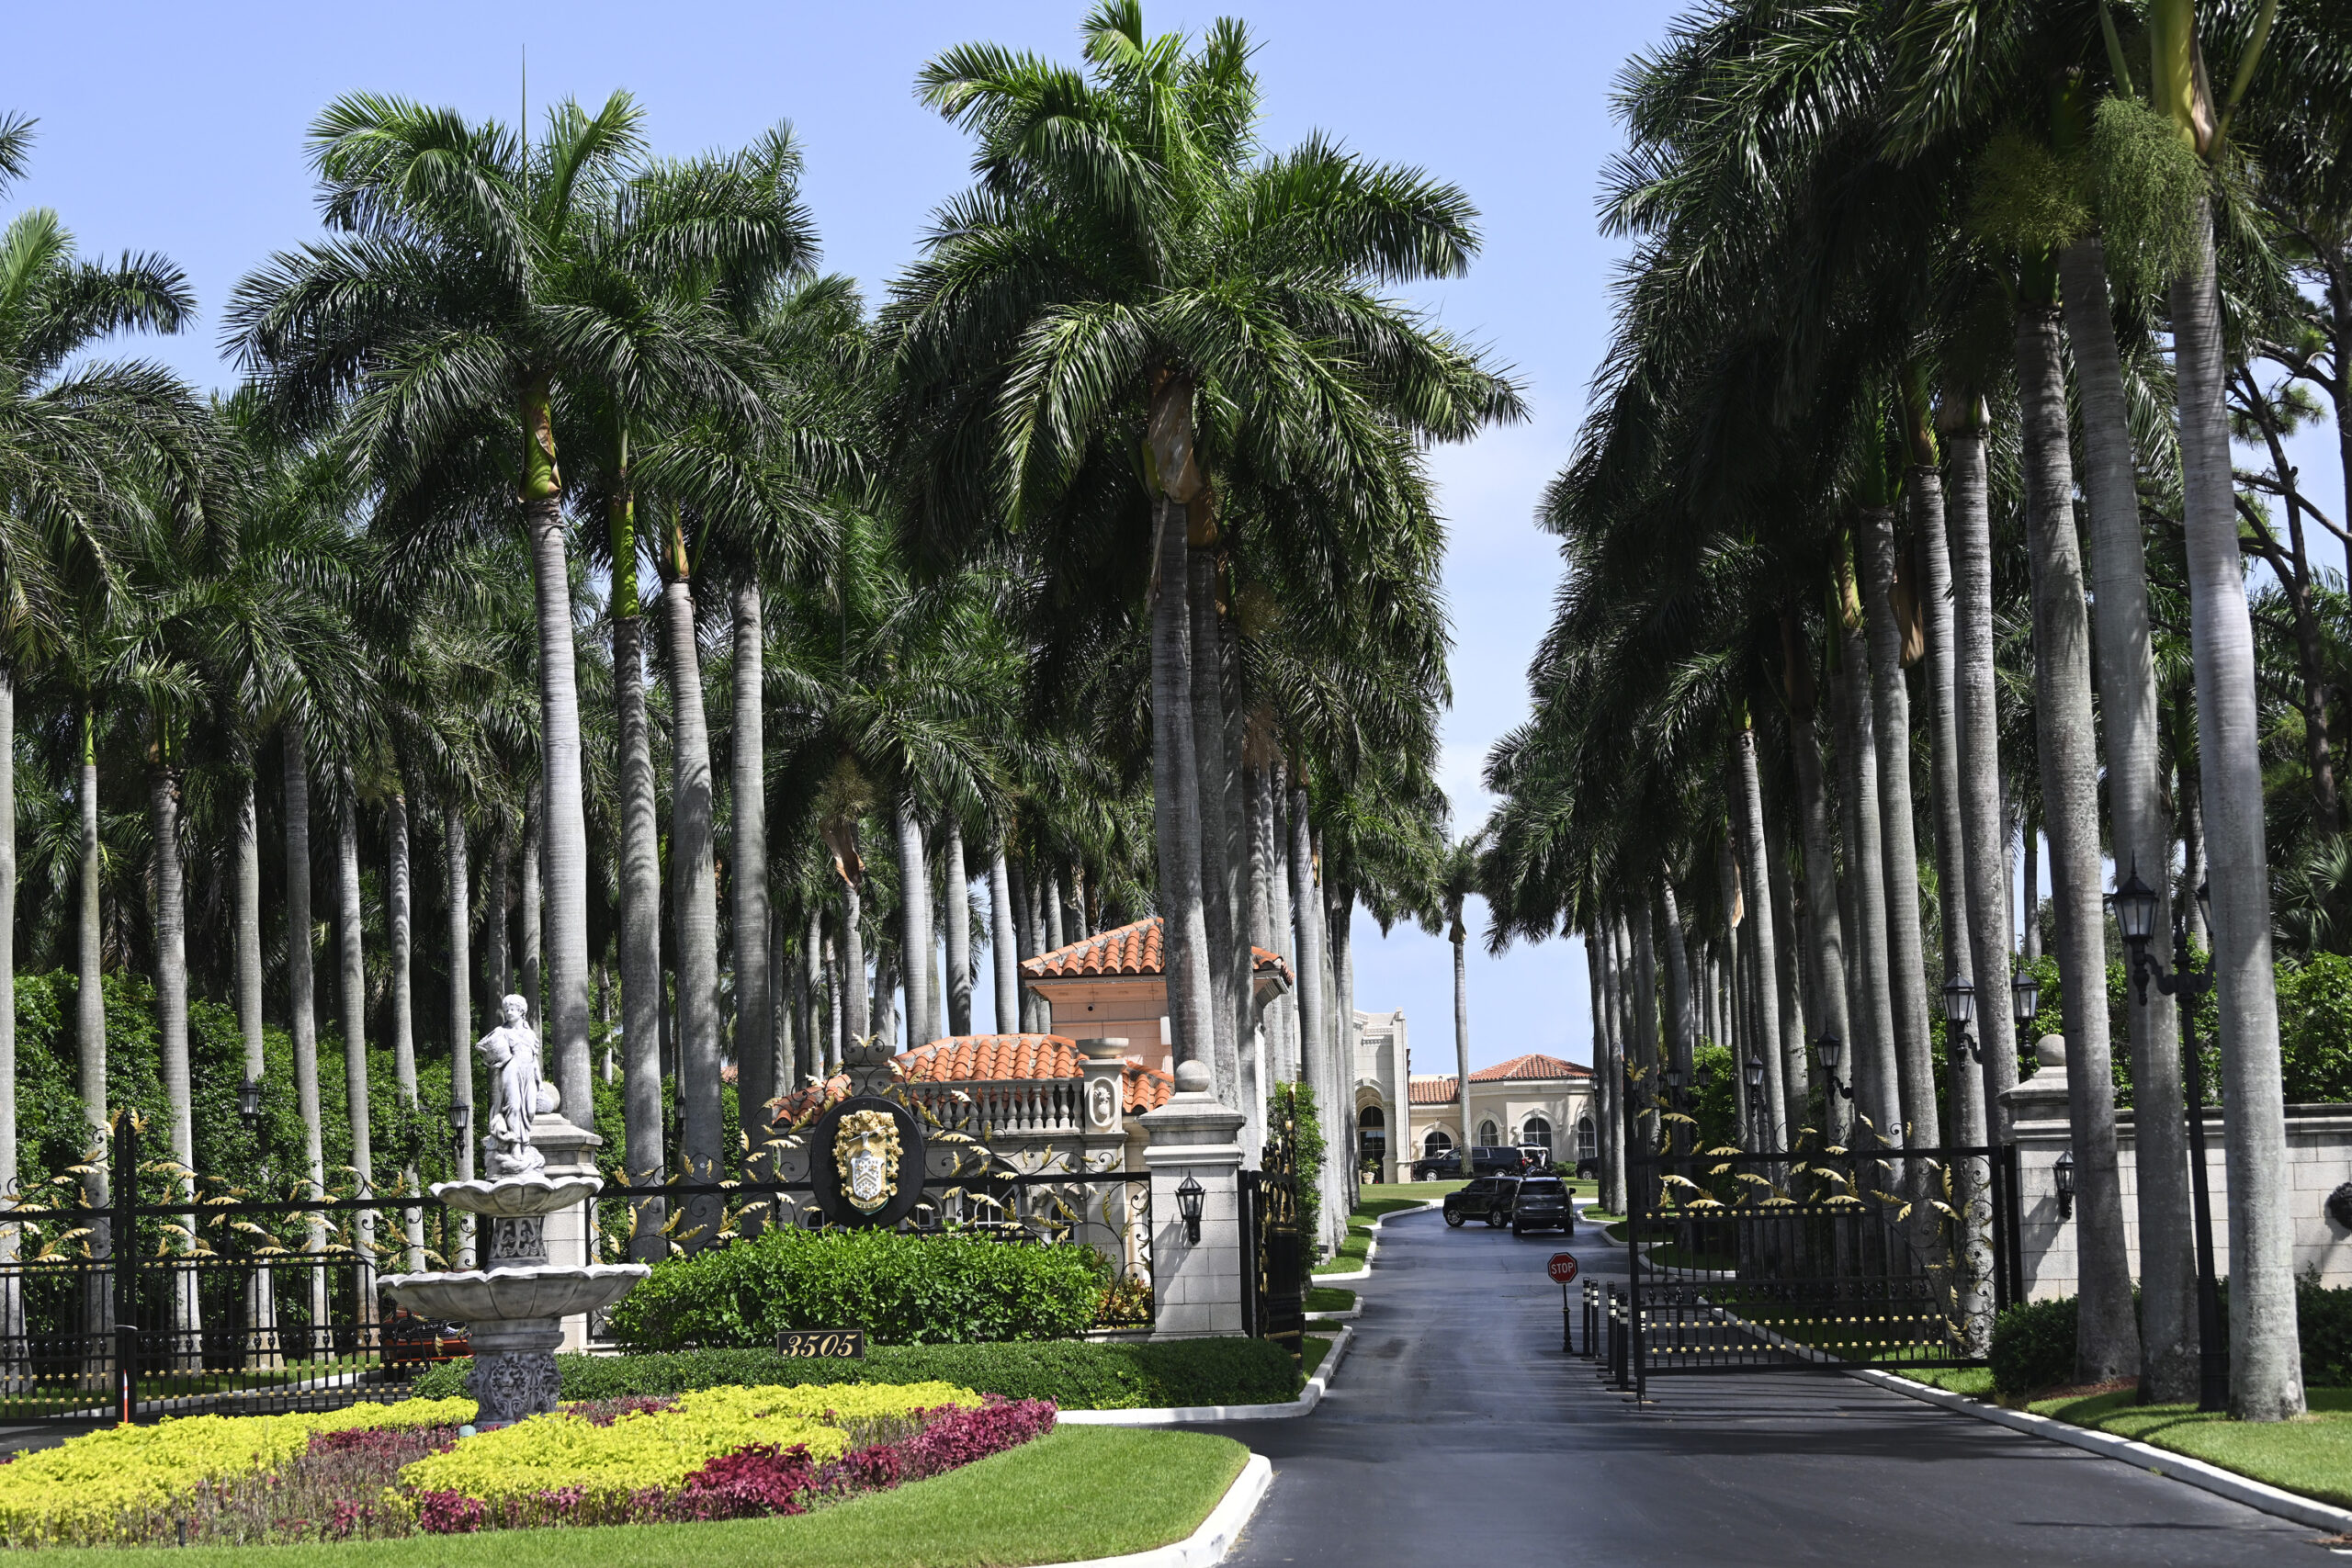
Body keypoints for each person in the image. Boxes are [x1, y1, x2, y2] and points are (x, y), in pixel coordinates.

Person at [476, 994, 547, 1176]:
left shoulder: (530, 1034)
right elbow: (483, 1047)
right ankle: (516, 1145)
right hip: (511, 1070)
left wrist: (539, 1082)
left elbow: (534, 1060)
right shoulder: (502, 1032)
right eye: (506, 1010)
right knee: (514, 1107)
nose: (508, 1013)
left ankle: (524, 1143)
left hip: (528, 1073)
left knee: (529, 1111)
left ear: (522, 1011)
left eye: (513, 1009)